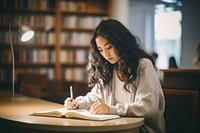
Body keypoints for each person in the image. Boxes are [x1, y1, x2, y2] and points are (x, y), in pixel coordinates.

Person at [64, 19, 166, 133]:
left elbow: (147, 107)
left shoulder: (143, 65)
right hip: (115, 127)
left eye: (109, 47)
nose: (106, 54)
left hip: (140, 129)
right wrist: (77, 103)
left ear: (121, 42)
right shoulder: (109, 68)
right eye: (101, 50)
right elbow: (96, 97)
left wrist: (111, 110)